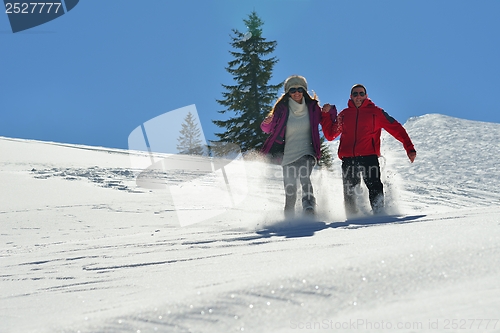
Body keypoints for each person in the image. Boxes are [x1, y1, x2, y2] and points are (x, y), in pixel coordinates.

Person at [321, 84, 416, 216]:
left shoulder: (376, 113)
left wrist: (409, 147)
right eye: (355, 94)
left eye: (361, 93)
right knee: (350, 190)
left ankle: (379, 214)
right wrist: (325, 115)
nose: (358, 96)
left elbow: (396, 128)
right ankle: (352, 217)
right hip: (349, 158)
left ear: (366, 95)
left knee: (374, 186)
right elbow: (330, 135)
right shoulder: (344, 114)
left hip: (369, 156)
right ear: (351, 96)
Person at [260, 75, 336, 218]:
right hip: (288, 154)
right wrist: (266, 122)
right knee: (290, 188)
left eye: (299, 89)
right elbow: (268, 129)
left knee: (304, 174)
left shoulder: (313, 108)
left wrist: (329, 111)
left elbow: (327, 121)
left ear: (304, 91)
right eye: (292, 90)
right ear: (288, 92)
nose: (296, 93)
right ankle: (289, 217)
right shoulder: (282, 109)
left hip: (308, 151)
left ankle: (309, 207)